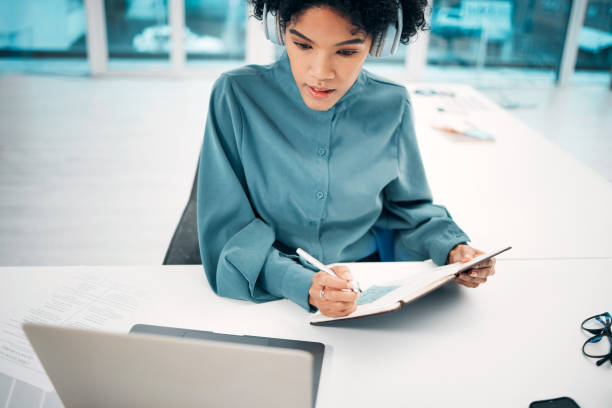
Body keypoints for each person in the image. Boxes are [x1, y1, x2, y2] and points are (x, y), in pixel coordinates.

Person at [197, 0, 496, 318]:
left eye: (346, 51)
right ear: (278, 27)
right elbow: (228, 228)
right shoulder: (236, 95)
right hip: (272, 294)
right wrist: (302, 283)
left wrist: (453, 250)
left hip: (365, 289)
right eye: (302, 45)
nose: (321, 73)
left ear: (379, 42)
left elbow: (408, 211)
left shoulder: (392, 104)